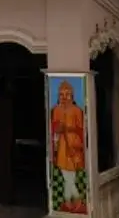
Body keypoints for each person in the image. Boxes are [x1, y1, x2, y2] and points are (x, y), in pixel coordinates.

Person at [50, 80, 87, 213]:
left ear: (72, 95)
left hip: (74, 145)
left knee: (71, 176)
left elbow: (81, 128)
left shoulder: (77, 110)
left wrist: (68, 128)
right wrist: (58, 129)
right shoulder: (56, 110)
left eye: (67, 94)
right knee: (67, 176)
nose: (64, 97)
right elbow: (54, 129)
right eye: (61, 94)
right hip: (62, 146)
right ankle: (72, 202)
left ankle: (72, 202)